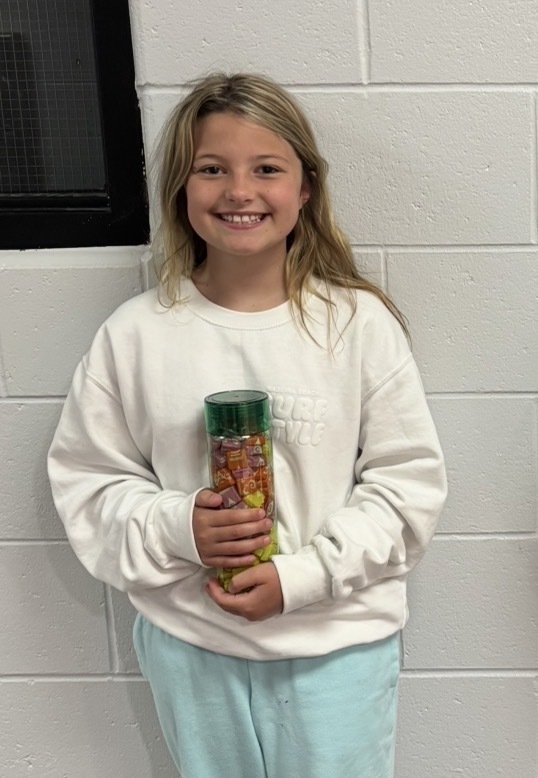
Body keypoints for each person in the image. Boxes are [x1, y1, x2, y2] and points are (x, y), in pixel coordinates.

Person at [48, 72, 447, 778]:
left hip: (337, 647)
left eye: (266, 168)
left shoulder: (357, 327)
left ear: (305, 189)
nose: (239, 191)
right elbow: (90, 485)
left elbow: (407, 489)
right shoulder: (135, 336)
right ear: (181, 187)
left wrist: (301, 578)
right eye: (212, 169)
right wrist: (180, 528)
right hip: (193, 646)